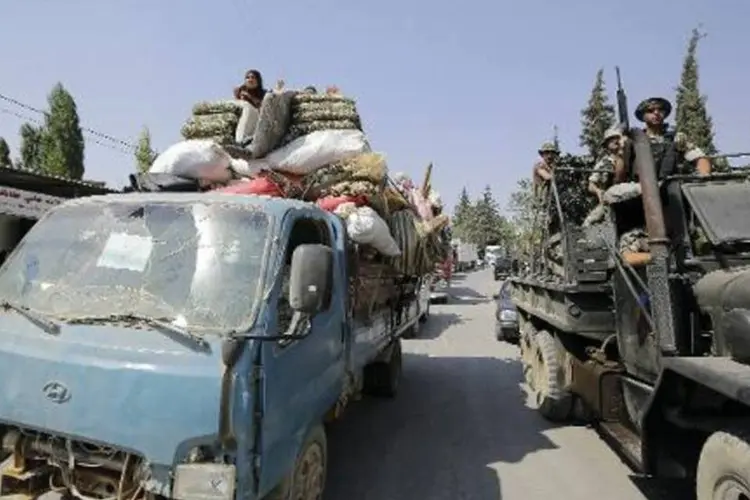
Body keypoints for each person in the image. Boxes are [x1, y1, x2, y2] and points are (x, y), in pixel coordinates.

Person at [632, 97, 711, 178]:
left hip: (670, 183)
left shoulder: (676, 138)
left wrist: (704, 176)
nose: (656, 113)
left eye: (660, 109)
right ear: (643, 116)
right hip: (639, 186)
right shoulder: (634, 140)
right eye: (650, 111)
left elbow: (700, 159)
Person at [582, 127, 623, 227]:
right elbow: (591, 185)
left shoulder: (630, 158)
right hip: (610, 200)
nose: (615, 141)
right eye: (611, 139)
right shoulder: (603, 164)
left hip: (630, 197)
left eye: (617, 138)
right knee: (588, 223)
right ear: (606, 145)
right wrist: (598, 191)